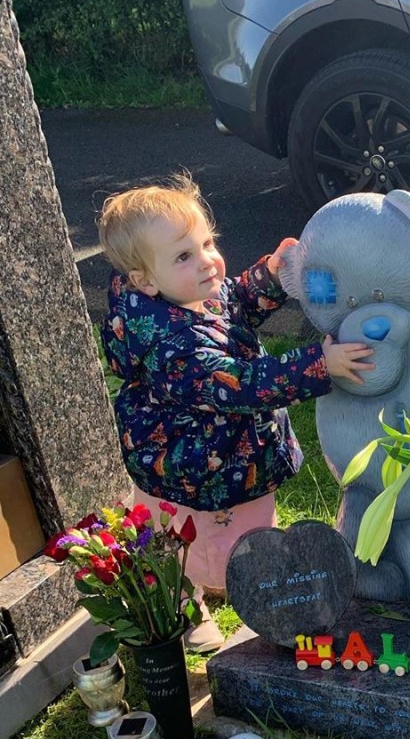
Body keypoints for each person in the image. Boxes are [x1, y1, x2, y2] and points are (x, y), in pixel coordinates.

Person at [98, 174, 375, 652]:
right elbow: (240, 383)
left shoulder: (187, 292)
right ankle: (189, 604)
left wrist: (269, 275)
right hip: (187, 469)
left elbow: (236, 300)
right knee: (182, 544)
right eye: (184, 255)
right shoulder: (170, 344)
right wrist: (316, 365)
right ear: (144, 279)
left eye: (207, 243)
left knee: (248, 530)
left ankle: (254, 587)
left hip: (233, 458)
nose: (207, 261)